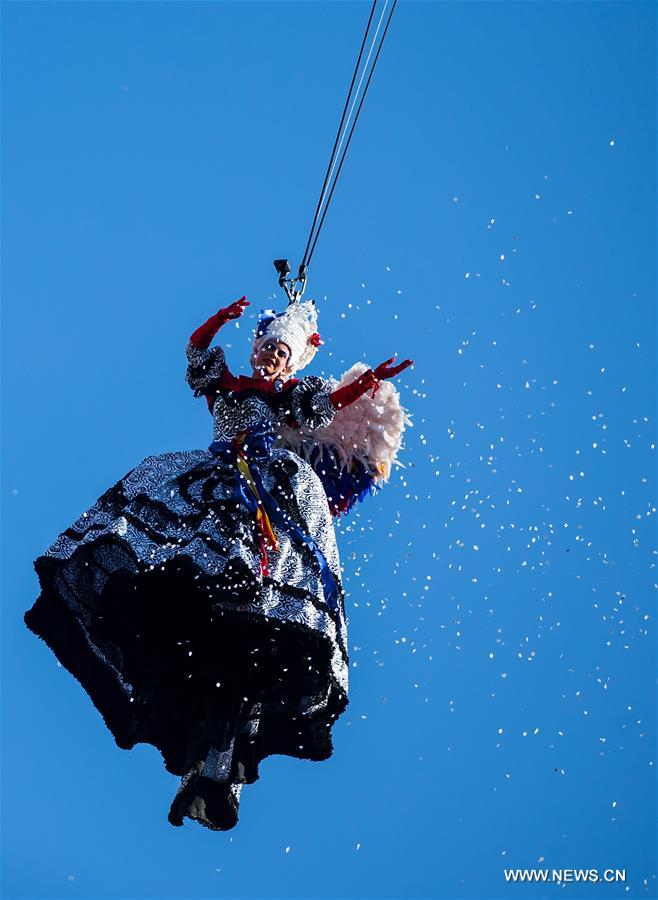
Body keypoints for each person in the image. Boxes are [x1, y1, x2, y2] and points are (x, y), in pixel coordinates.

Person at [24, 295, 413, 831]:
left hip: (264, 485)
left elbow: (333, 399)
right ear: (255, 351)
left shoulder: (290, 398)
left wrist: (370, 382)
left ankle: (219, 750)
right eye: (268, 349)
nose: (272, 358)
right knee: (181, 537)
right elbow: (196, 350)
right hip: (215, 477)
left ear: (291, 361)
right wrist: (219, 320)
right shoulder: (227, 385)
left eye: (282, 353)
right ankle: (198, 616)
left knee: (256, 552)